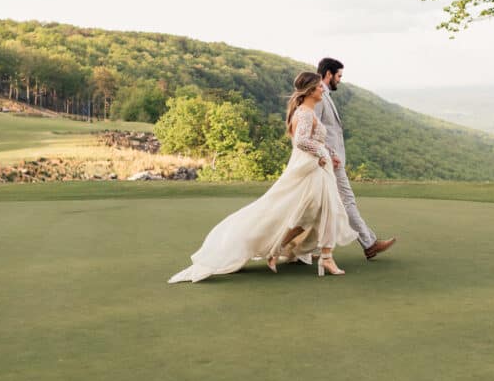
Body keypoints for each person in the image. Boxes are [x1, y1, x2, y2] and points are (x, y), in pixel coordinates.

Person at [169, 72, 358, 283]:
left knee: (317, 211)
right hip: (311, 169)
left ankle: (290, 251)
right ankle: (320, 257)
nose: (323, 90)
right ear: (310, 91)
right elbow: (302, 141)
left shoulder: (309, 112)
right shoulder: (304, 113)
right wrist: (322, 154)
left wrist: (330, 153)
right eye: (319, 88)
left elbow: (317, 139)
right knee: (318, 210)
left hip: (317, 168)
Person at [314, 58, 396, 260]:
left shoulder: (324, 94)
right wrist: (328, 154)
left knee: (317, 204)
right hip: (329, 160)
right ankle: (369, 243)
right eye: (339, 76)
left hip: (332, 158)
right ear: (328, 74)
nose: (340, 80)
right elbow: (313, 128)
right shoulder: (318, 95)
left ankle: (303, 251)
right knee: (346, 201)